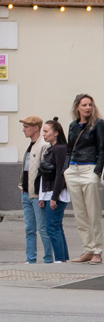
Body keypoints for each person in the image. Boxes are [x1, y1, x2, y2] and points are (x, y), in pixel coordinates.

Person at [64, 93, 104, 264]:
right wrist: (66, 169)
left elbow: (103, 149)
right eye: (84, 105)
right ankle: (87, 248)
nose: (88, 108)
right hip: (73, 170)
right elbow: (68, 149)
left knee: (93, 213)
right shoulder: (73, 126)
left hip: (89, 169)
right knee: (80, 213)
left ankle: (97, 251)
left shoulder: (98, 124)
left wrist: (97, 172)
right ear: (77, 108)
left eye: (90, 105)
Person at [37, 118, 71, 265]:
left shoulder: (60, 149)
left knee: (52, 226)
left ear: (56, 133)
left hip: (56, 194)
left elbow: (60, 174)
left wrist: (54, 197)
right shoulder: (51, 149)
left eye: (46, 131)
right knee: (56, 226)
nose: (43, 134)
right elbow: (45, 175)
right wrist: (41, 196)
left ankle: (59, 259)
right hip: (48, 193)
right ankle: (62, 257)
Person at [18, 115, 49, 264]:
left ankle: (48, 258)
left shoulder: (43, 145)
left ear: (35, 128)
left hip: (37, 194)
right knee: (29, 229)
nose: (23, 130)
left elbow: (44, 172)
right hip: (26, 192)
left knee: (42, 228)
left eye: (26, 127)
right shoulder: (31, 145)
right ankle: (30, 259)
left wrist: (42, 194)